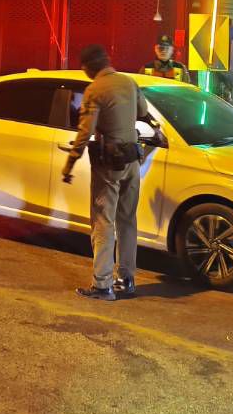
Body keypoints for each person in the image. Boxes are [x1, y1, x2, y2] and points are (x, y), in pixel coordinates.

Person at [62, 43, 164, 301]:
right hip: (132, 160)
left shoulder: (95, 89)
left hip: (109, 164)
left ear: (88, 67)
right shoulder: (128, 82)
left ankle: (102, 285)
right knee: (127, 220)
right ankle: (126, 280)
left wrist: (70, 163)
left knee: (103, 222)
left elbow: (85, 132)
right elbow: (143, 112)